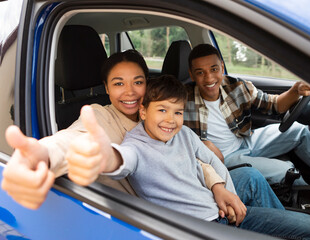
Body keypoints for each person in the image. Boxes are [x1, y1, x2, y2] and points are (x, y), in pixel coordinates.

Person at [1, 50, 282, 215]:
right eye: (118, 84)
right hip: (170, 212)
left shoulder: (159, 114)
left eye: (137, 82)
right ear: (106, 88)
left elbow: (189, 155)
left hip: (198, 190)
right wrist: (41, 156)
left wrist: (217, 184)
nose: (130, 92)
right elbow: (73, 139)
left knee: (250, 176)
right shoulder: (100, 117)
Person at [65, 75, 310, 239]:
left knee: (252, 177)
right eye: (162, 110)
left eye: (178, 112)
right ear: (143, 112)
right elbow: (122, 160)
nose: (170, 120)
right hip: (207, 226)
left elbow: (210, 160)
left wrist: (222, 188)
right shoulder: (136, 147)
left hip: (219, 207)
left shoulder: (184, 133)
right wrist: (103, 157)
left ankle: (272, 226)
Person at [184, 44, 310, 185]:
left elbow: (274, 104)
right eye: (200, 72)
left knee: (298, 130)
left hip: (245, 139)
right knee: (287, 170)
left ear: (222, 66)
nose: (209, 78)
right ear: (191, 75)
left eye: (214, 69)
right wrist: (201, 144)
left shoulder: (236, 86)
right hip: (225, 158)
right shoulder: (182, 99)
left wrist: (295, 90)